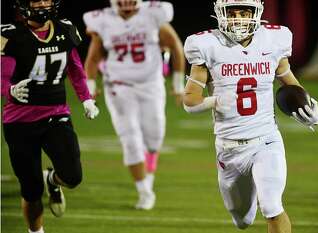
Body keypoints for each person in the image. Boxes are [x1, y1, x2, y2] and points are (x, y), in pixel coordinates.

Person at [183, 0, 318, 232]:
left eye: (244, 12)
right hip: (229, 149)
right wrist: (214, 101)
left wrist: (308, 108)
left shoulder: (273, 41)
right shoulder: (207, 44)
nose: (238, 18)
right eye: (232, 12)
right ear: (220, 13)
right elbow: (189, 101)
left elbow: (291, 83)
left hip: (266, 140)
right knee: (243, 220)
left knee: (272, 206)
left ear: (256, 13)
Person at [1, 0, 99, 232]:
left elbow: (75, 68)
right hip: (20, 121)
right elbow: (2, 78)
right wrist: (10, 90)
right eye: (37, 0)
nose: (43, 4)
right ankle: (36, 231)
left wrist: (86, 98)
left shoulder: (64, 29)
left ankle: (52, 180)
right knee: (31, 189)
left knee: (73, 176)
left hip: (56, 114)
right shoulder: (11, 35)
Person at [83, 0, 185, 210]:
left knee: (154, 137)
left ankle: (147, 179)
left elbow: (175, 45)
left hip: (151, 84)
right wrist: (90, 87)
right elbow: (93, 58)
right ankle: (144, 191)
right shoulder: (104, 20)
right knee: (130, 138)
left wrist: (177, 84)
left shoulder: (152, 15)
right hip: (119, 86)